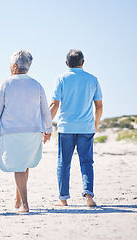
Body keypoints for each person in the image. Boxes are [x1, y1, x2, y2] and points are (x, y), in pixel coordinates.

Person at [0, 50, 53, 213]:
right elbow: (45, 110)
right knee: (24, 165)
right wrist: (48, 130)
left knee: (18, 167)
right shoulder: (37, 84)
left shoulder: (6, 84)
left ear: (15, 66)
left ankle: (25, 204)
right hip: (33, 132)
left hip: (11, 132)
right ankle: (17, 200)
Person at [50, 49, 103, 207]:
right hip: (86, 127)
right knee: (86, 162)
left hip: (66, 127)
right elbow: (99, 106)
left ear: (67, 63)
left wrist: (45, 124)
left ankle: (63, 199)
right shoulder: (92, 79)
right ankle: (89, 197)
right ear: (83, 62)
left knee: (63, 163)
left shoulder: (61, 79)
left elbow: (54, 104)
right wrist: (96, 124)